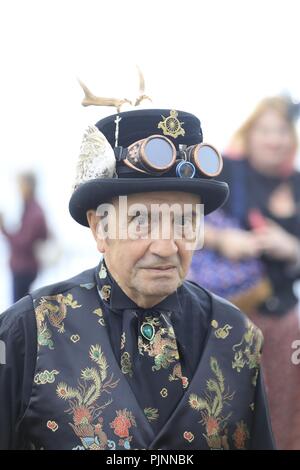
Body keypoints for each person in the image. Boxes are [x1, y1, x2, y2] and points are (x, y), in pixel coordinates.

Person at [0, 107, 275, 450]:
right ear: (100, 228)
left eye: (184, 221)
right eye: (141, 219)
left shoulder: (237, 335)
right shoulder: (28, 331)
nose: (166, 246)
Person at [188, 96, 300, 449]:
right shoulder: (224, 172)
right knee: (222, 413)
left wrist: (291, 247)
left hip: (282, 321)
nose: (274, 139)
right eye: (265, 130)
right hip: (223, 319)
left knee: (284, 414)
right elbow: (179, 222)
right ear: (249, 134)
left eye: (282, 131)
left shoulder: (297, 184)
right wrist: (224, 240)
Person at [0, 172, 48, 302]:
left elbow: (24, 243)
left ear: (28, 186)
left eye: (21, 185)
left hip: (24, 269)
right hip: (24, 268)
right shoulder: (30, 208)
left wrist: (4, 228)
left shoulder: (35, 212)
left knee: (18, 311)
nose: (19, 189)